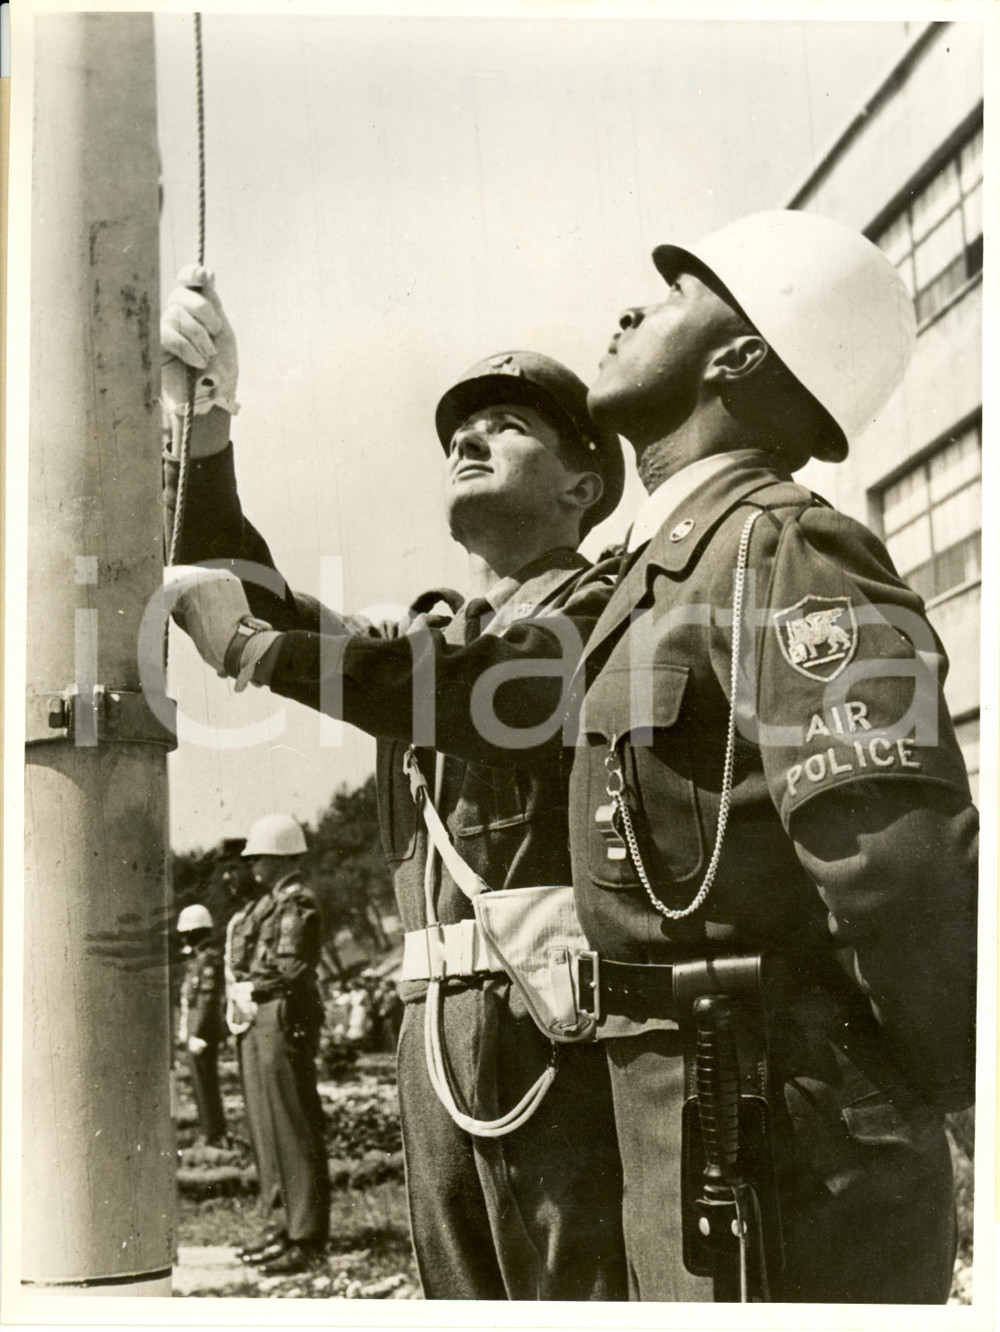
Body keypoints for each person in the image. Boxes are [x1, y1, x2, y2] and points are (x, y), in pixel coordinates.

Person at [159, 273, 629, 1300]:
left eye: (504, 426)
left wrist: (247, 650)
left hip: (543, 1027)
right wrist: (206, 421)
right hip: (435, 1032)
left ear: (583, 488)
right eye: (457, 430)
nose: (467, 439)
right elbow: (253, 587)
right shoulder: (438, 639)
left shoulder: (599, 610)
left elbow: (472, 689)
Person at [563, 209, 978, 1302]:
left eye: (666, 299)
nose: (624, 311)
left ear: (739, 356)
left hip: (790, 1146)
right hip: (692, 1120)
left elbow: (895, 864)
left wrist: (956, 1083)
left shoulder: (782, 547)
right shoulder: (668, 569)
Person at [226, 812, 330, 1276]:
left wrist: (253, 986)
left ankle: (306, 1236)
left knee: (293, 1126)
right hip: (269, 1013)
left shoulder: (296, 902)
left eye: (257, 858)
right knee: (273, 1127)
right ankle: (287, 1227)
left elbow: (290, 968)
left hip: (284, 1015)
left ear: (277, 856)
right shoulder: (277, 902)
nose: (252, 867)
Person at [176, 904, 226, 1146]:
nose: (185, 937)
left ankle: (212, 1133)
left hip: (203, 1031)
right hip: (196, 1029)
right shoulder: (197, 959)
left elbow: (207, 999)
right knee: (200, 1082)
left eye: (189, 932)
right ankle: (210, 1130)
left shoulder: (208, 959)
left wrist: (196, 1033)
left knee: (206, 1082)